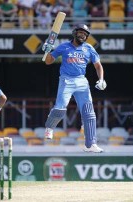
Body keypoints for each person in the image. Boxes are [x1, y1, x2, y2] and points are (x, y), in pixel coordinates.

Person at [42, 24, 107, 153]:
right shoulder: (64, 46)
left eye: (85, 34)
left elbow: (98, 65)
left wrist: (101, 79)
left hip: (82, 81)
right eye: (80, 32)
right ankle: (49, 128)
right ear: (75, 33)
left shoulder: (89, 48)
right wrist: (47, 50)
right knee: (60, 108)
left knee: (89, 114)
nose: (82, 35)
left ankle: (90, 144)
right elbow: (48, 61)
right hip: (66, 80)